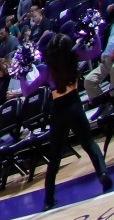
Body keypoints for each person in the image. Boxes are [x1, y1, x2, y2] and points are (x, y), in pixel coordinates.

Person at [43, 35, 113, 209]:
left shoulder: (48, 68)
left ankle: (48, 200)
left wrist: (22, 75)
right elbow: (96, 51)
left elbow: (27, 90)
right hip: (74, 105)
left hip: (58, 111)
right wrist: (94, 33)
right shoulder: (74, 56)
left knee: (55, 157)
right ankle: (103, 173)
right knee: (89, 143)